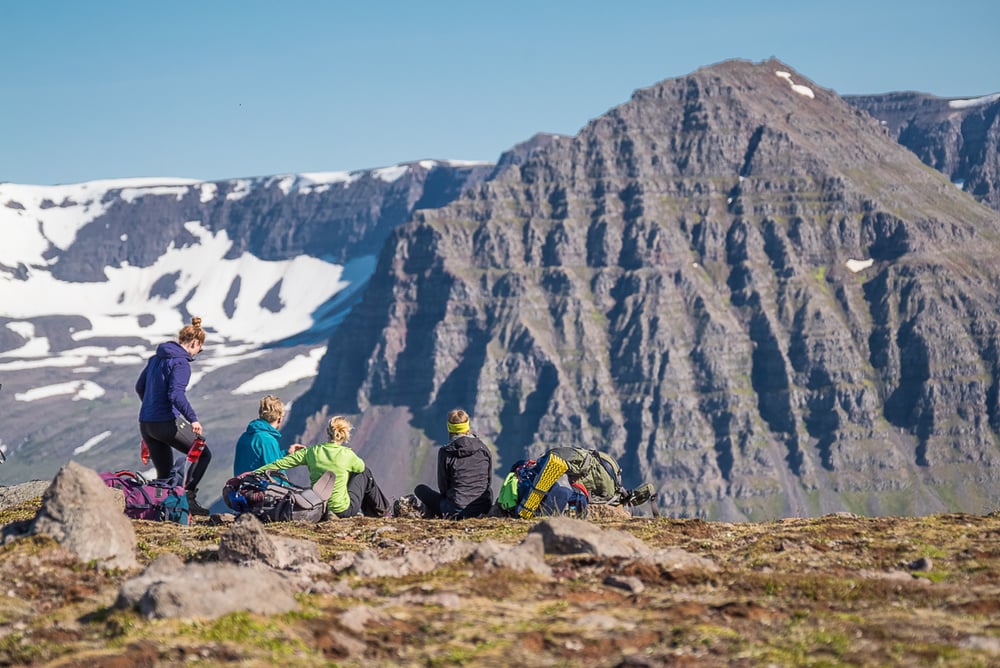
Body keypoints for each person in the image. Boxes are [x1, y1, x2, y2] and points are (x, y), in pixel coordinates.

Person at [135, 316, 212, 515]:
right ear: (194, 343)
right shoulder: (180, 363)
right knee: (203, 454)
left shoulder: (155, 359)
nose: (197, 354)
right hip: (165, 422)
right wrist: (193, 419)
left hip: (146, 423)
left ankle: (161, 510)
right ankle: (188, 500)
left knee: (165, 472)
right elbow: (176, 394)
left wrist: (151, 407)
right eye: (199, 350)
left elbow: (139, 387)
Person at [254, 415, 389, 518]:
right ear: (345, 434)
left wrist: (252, 474)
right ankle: (381, 511)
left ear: (327, 431)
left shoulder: (312, 452)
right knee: (364, 473)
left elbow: (280, 464)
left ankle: (375, 512)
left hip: (319, 508)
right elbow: (361, 468)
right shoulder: (347, 455)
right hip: (343, 510)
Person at [414, 408, 493, 519]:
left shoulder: (445, 452)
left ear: (449, 428)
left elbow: (443, 487)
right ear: (468, 427)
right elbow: (488, 481)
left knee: (420, 489)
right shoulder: (483, 448)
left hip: (456, 509)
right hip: (483, 507)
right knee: (488, 491)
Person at [233, 395, 304, 475]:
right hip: (258, 487)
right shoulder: (267, 440)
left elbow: (260, 461)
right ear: (279, 418)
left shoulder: (244, 437)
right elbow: (276, 474)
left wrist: (287, 453)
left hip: (242, 486)